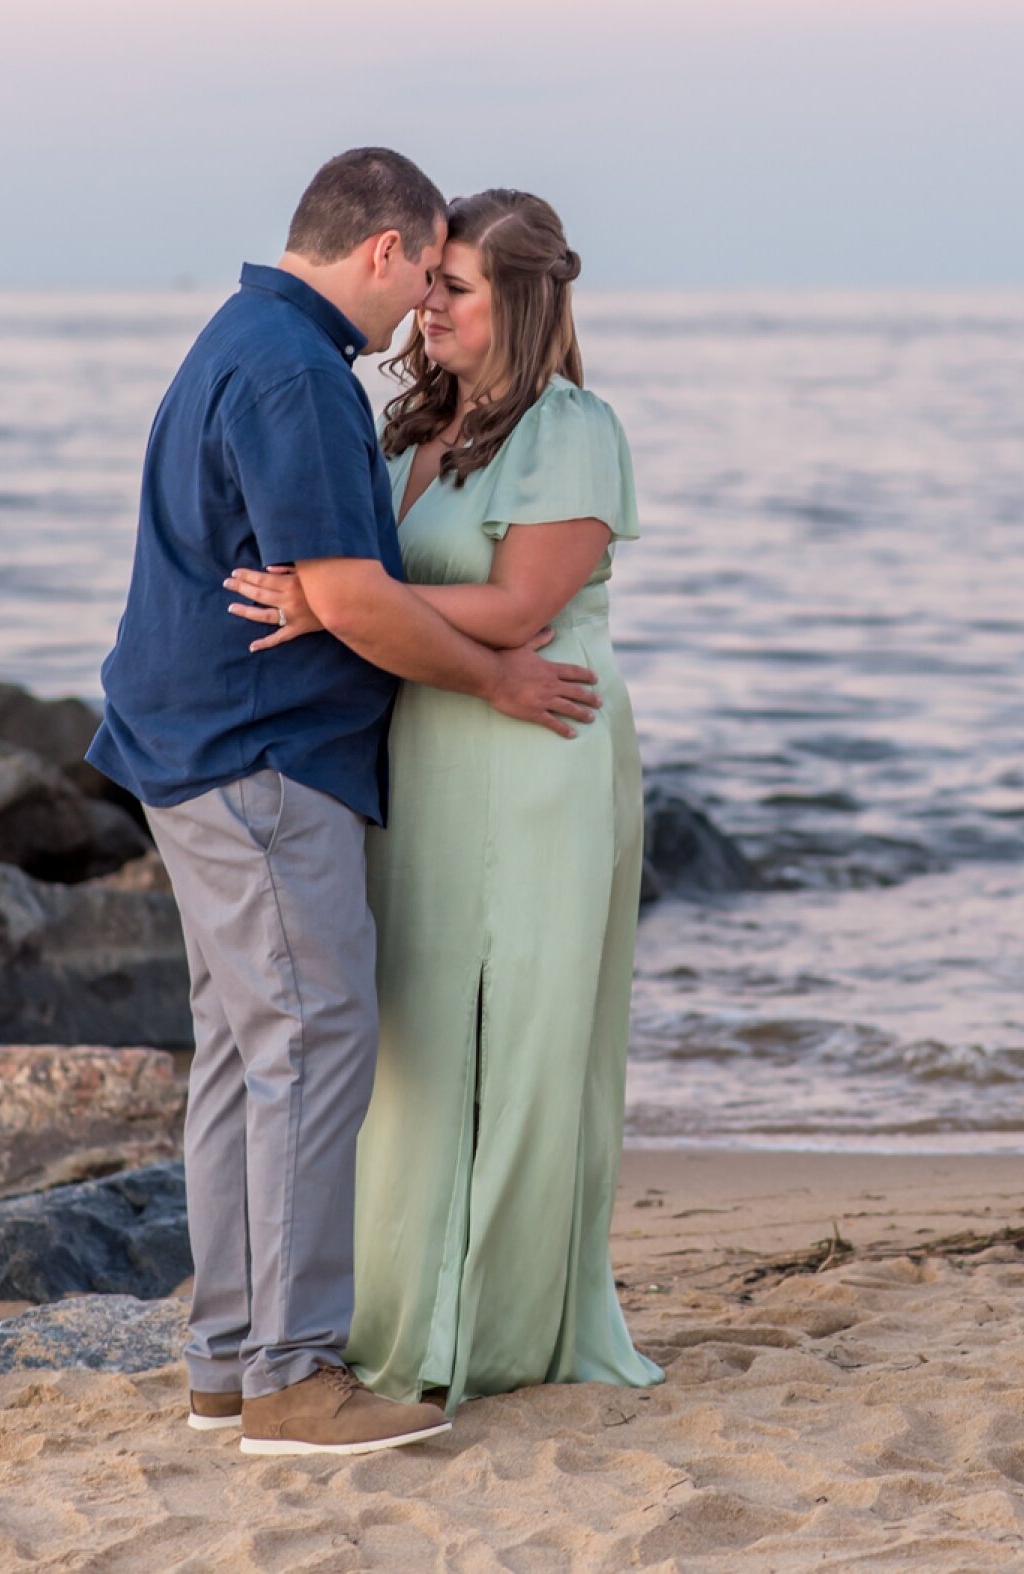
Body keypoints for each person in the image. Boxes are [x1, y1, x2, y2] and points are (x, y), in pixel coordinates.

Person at [88, 150, 599, 1457]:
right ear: (382, 250)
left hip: (194, 744)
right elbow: (358, 599)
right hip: (257, 755)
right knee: (316, 1044)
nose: (423, 303)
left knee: (246, 1056)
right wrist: (496, 675)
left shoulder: (248, 336)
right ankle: (295, 1376)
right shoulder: (297, 370)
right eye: (426, 271)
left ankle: (227, 1362)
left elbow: (342, 589)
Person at [225, 188, 663, 1410]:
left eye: (454, 287)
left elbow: (524, 605)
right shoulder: (405, 421)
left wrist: (336, 603)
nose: (426, 305)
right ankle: (392, 1307)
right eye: (429, 282)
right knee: (412, 1036)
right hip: (422, 743)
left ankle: (502, 1329)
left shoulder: (571, 427)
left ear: (519, 302)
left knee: (516, 1035)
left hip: (533, 746)